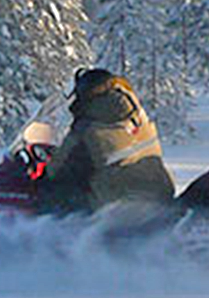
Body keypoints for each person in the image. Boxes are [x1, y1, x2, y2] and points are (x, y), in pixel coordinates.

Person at [36, 68, 176, 215]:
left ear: (84, 94)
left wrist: (45, 173)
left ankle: (45, 228)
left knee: (53, 193)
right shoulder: (138, 118)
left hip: (115, 205)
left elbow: (57, 169)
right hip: (160, 193)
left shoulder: (87, 127)